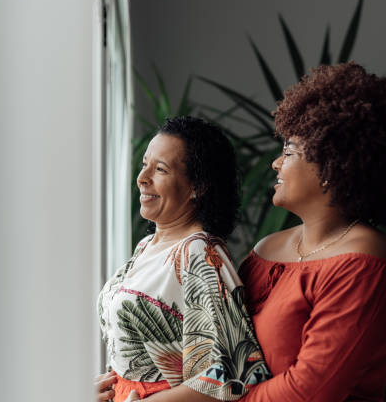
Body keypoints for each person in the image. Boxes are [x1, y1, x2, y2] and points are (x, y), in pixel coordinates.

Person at [238, 62, 386, 401]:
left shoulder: (366, 265)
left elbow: (310, 392)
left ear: (330, 164)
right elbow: (214, 345)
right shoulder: (265, 249)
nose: (276, 163)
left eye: (288, 151)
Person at [96, 117, 271, 402]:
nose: (142, 177)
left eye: (160, 169)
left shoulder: (200, 254)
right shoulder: (146, 246)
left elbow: (234, 374)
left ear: (197, 186)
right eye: (144, 164)